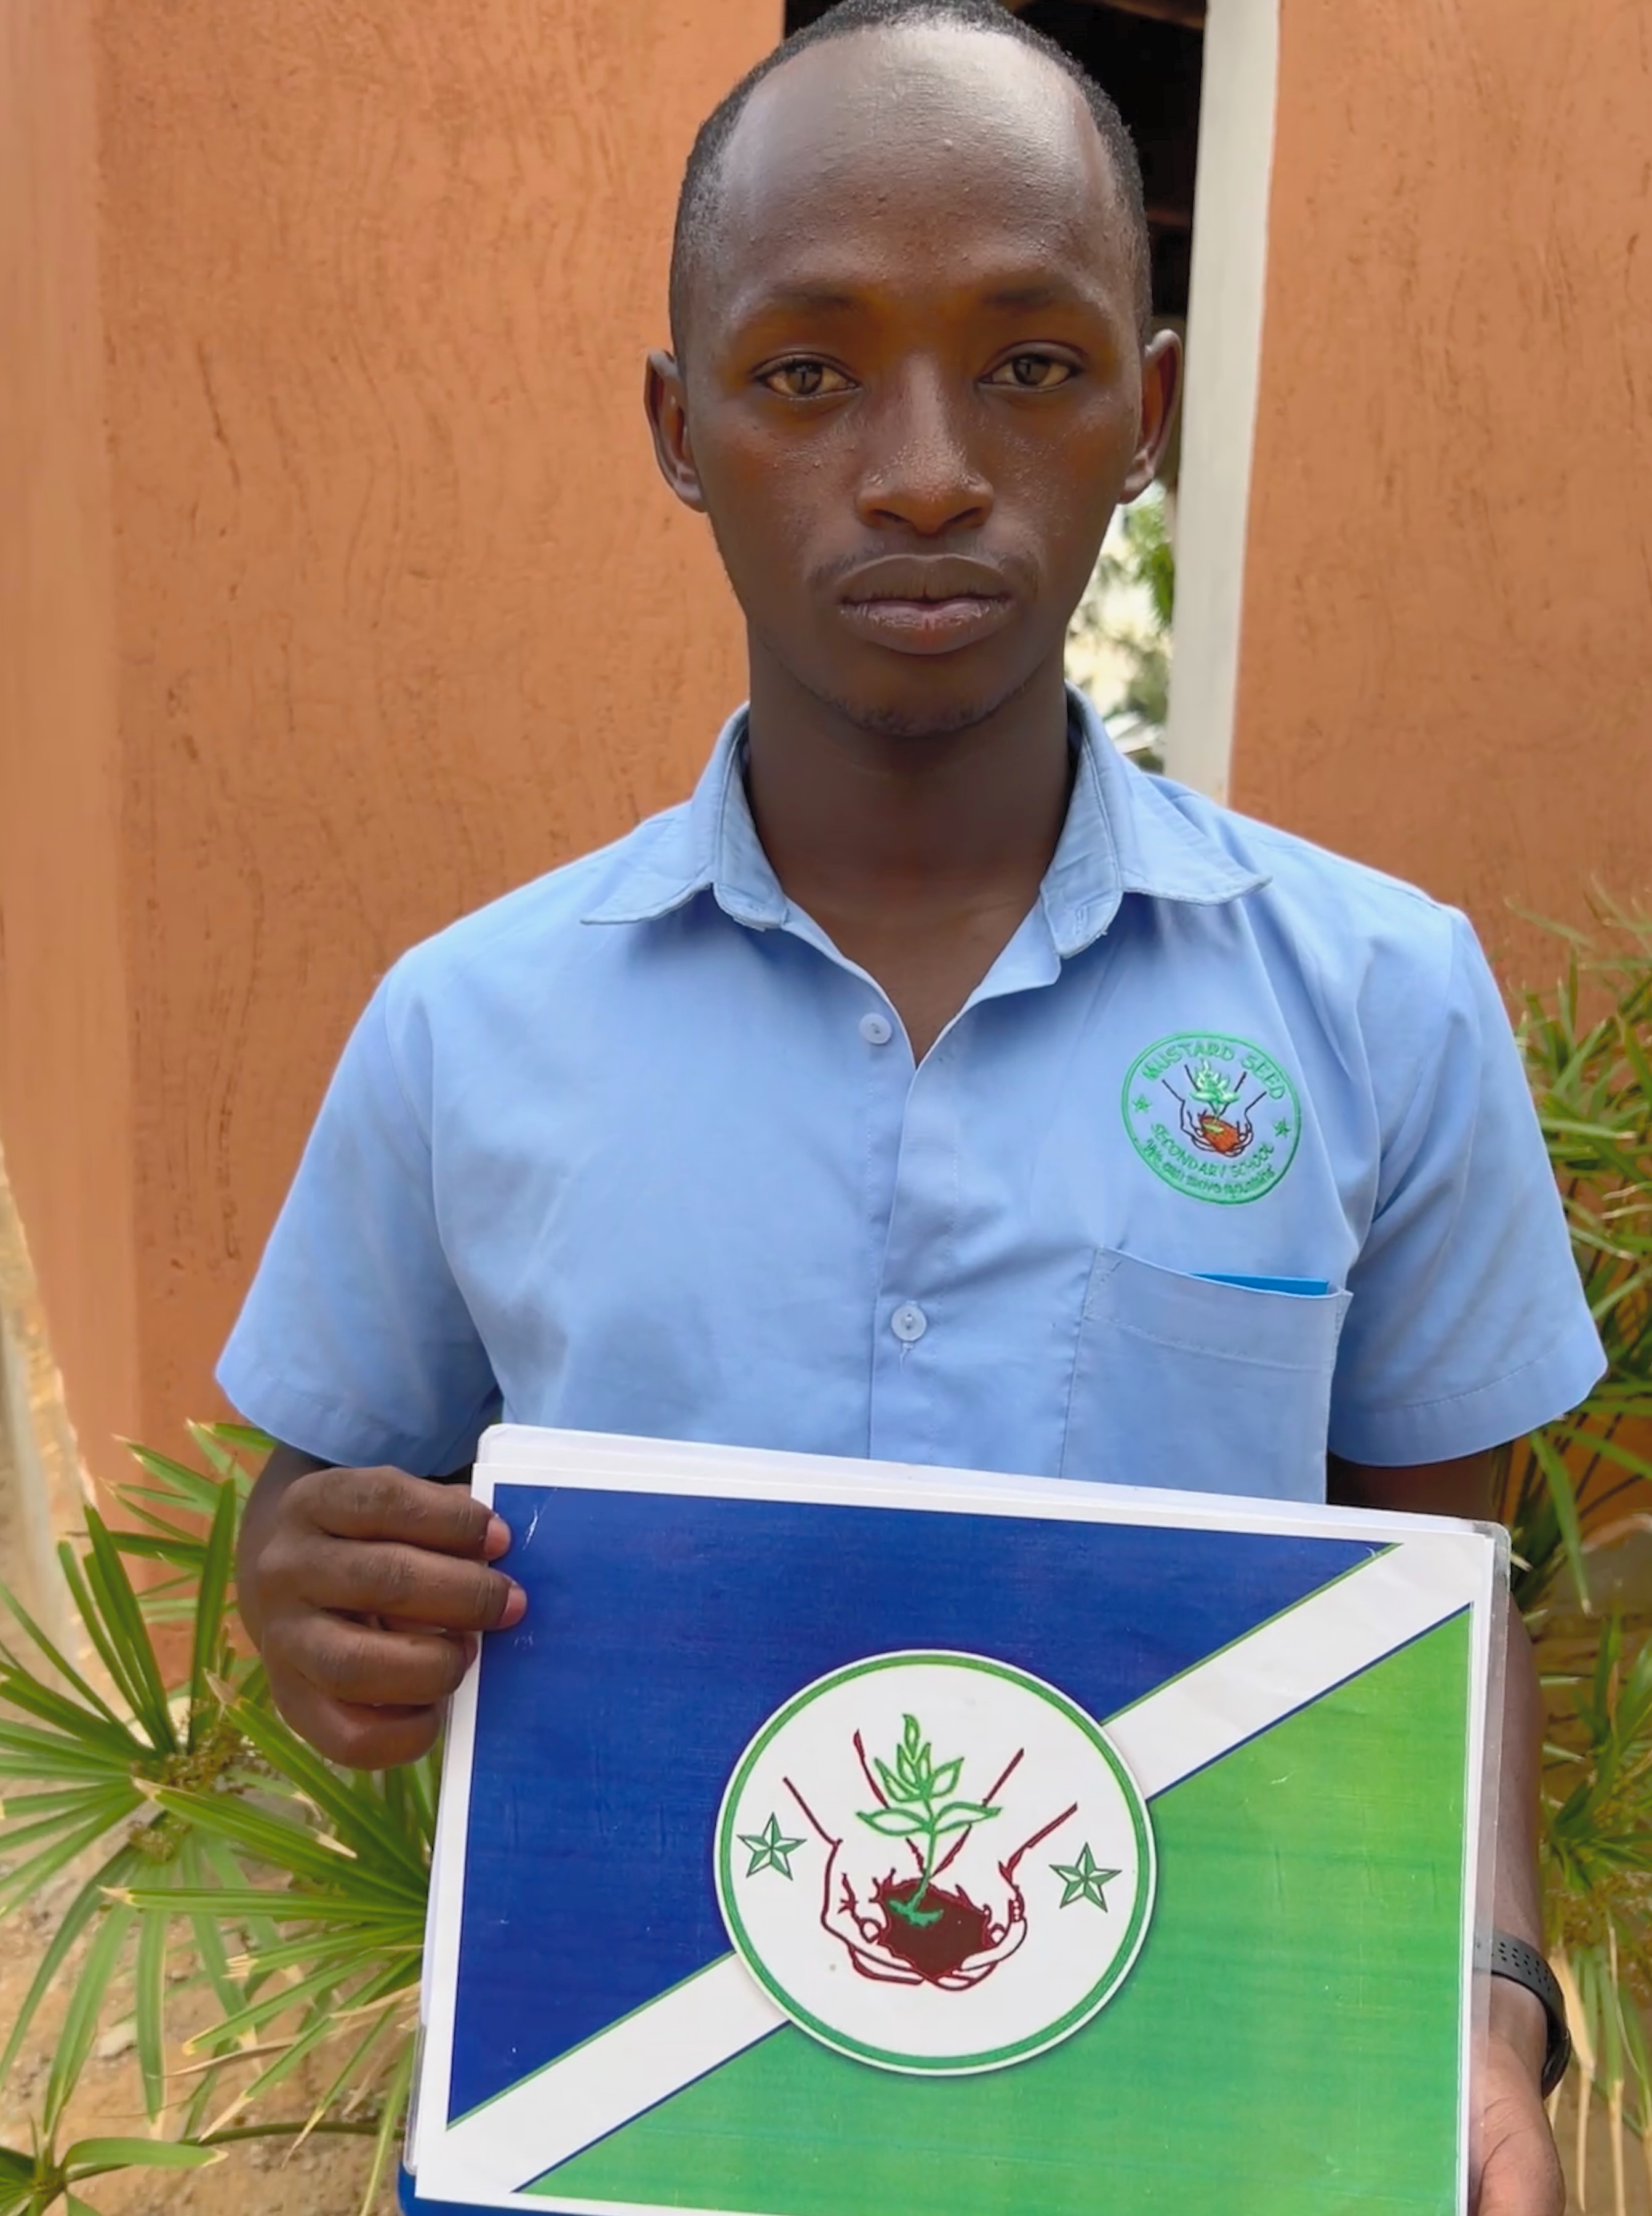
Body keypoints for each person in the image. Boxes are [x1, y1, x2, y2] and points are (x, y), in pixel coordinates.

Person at [221, 2, 1600, 2206]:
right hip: (616, 2127)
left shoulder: (1376, 1003)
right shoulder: (462, 1028)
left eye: (1032, 364)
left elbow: (1444, 1598)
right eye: (807, 372)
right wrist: (306, 1601)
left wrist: (1485, 2004)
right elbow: (311, 1521)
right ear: (681, 428)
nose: (928, 462)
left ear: (1144, 415)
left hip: (1188, 2146)